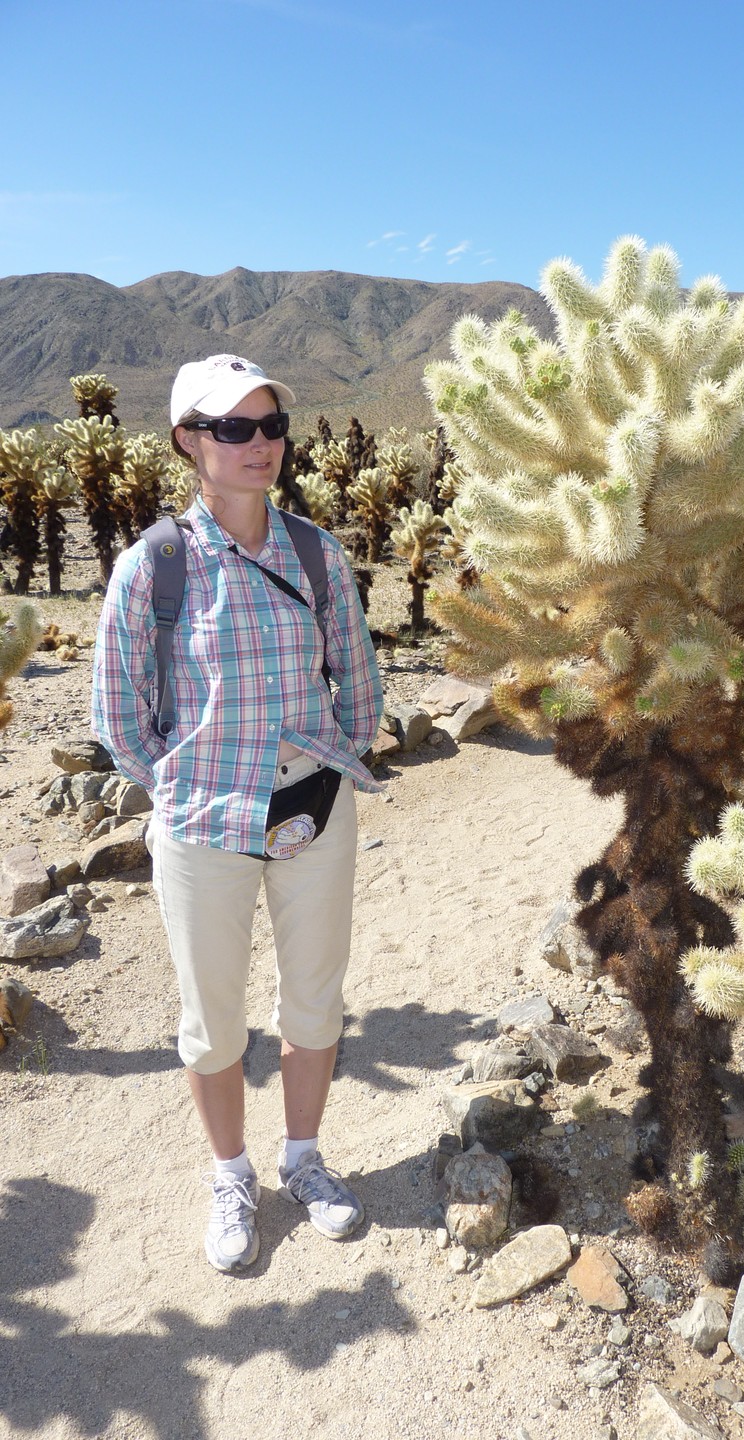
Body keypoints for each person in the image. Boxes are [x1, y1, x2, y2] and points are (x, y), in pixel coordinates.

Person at [92, 354, 383, 1273]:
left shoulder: (316, 553)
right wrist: (181, 788)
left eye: (271, 426)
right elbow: (117, 714)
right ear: (190, 440)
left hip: (312, 810)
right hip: (202, 824)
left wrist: (332, 762)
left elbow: (358, 680)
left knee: (314, 999)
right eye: (234, 428)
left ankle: (303, 1159)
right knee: (212, 1018)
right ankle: (232, 1175)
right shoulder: (154, 568)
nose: (260, 444)